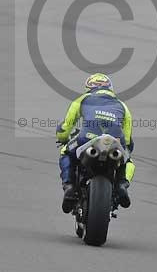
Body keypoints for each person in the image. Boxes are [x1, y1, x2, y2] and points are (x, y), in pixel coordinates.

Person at [55, 73, 135, 213]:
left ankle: (69, 186)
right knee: (127, 160)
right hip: (115, 142)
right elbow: (127, 139)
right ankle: (122, 185)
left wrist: (62, 138)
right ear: (110, 88)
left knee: (66, 152)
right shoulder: (122, 105)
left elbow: (65, 128)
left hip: (87, 138)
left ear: (89, 87)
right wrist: (126, 148)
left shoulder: (83, 99)